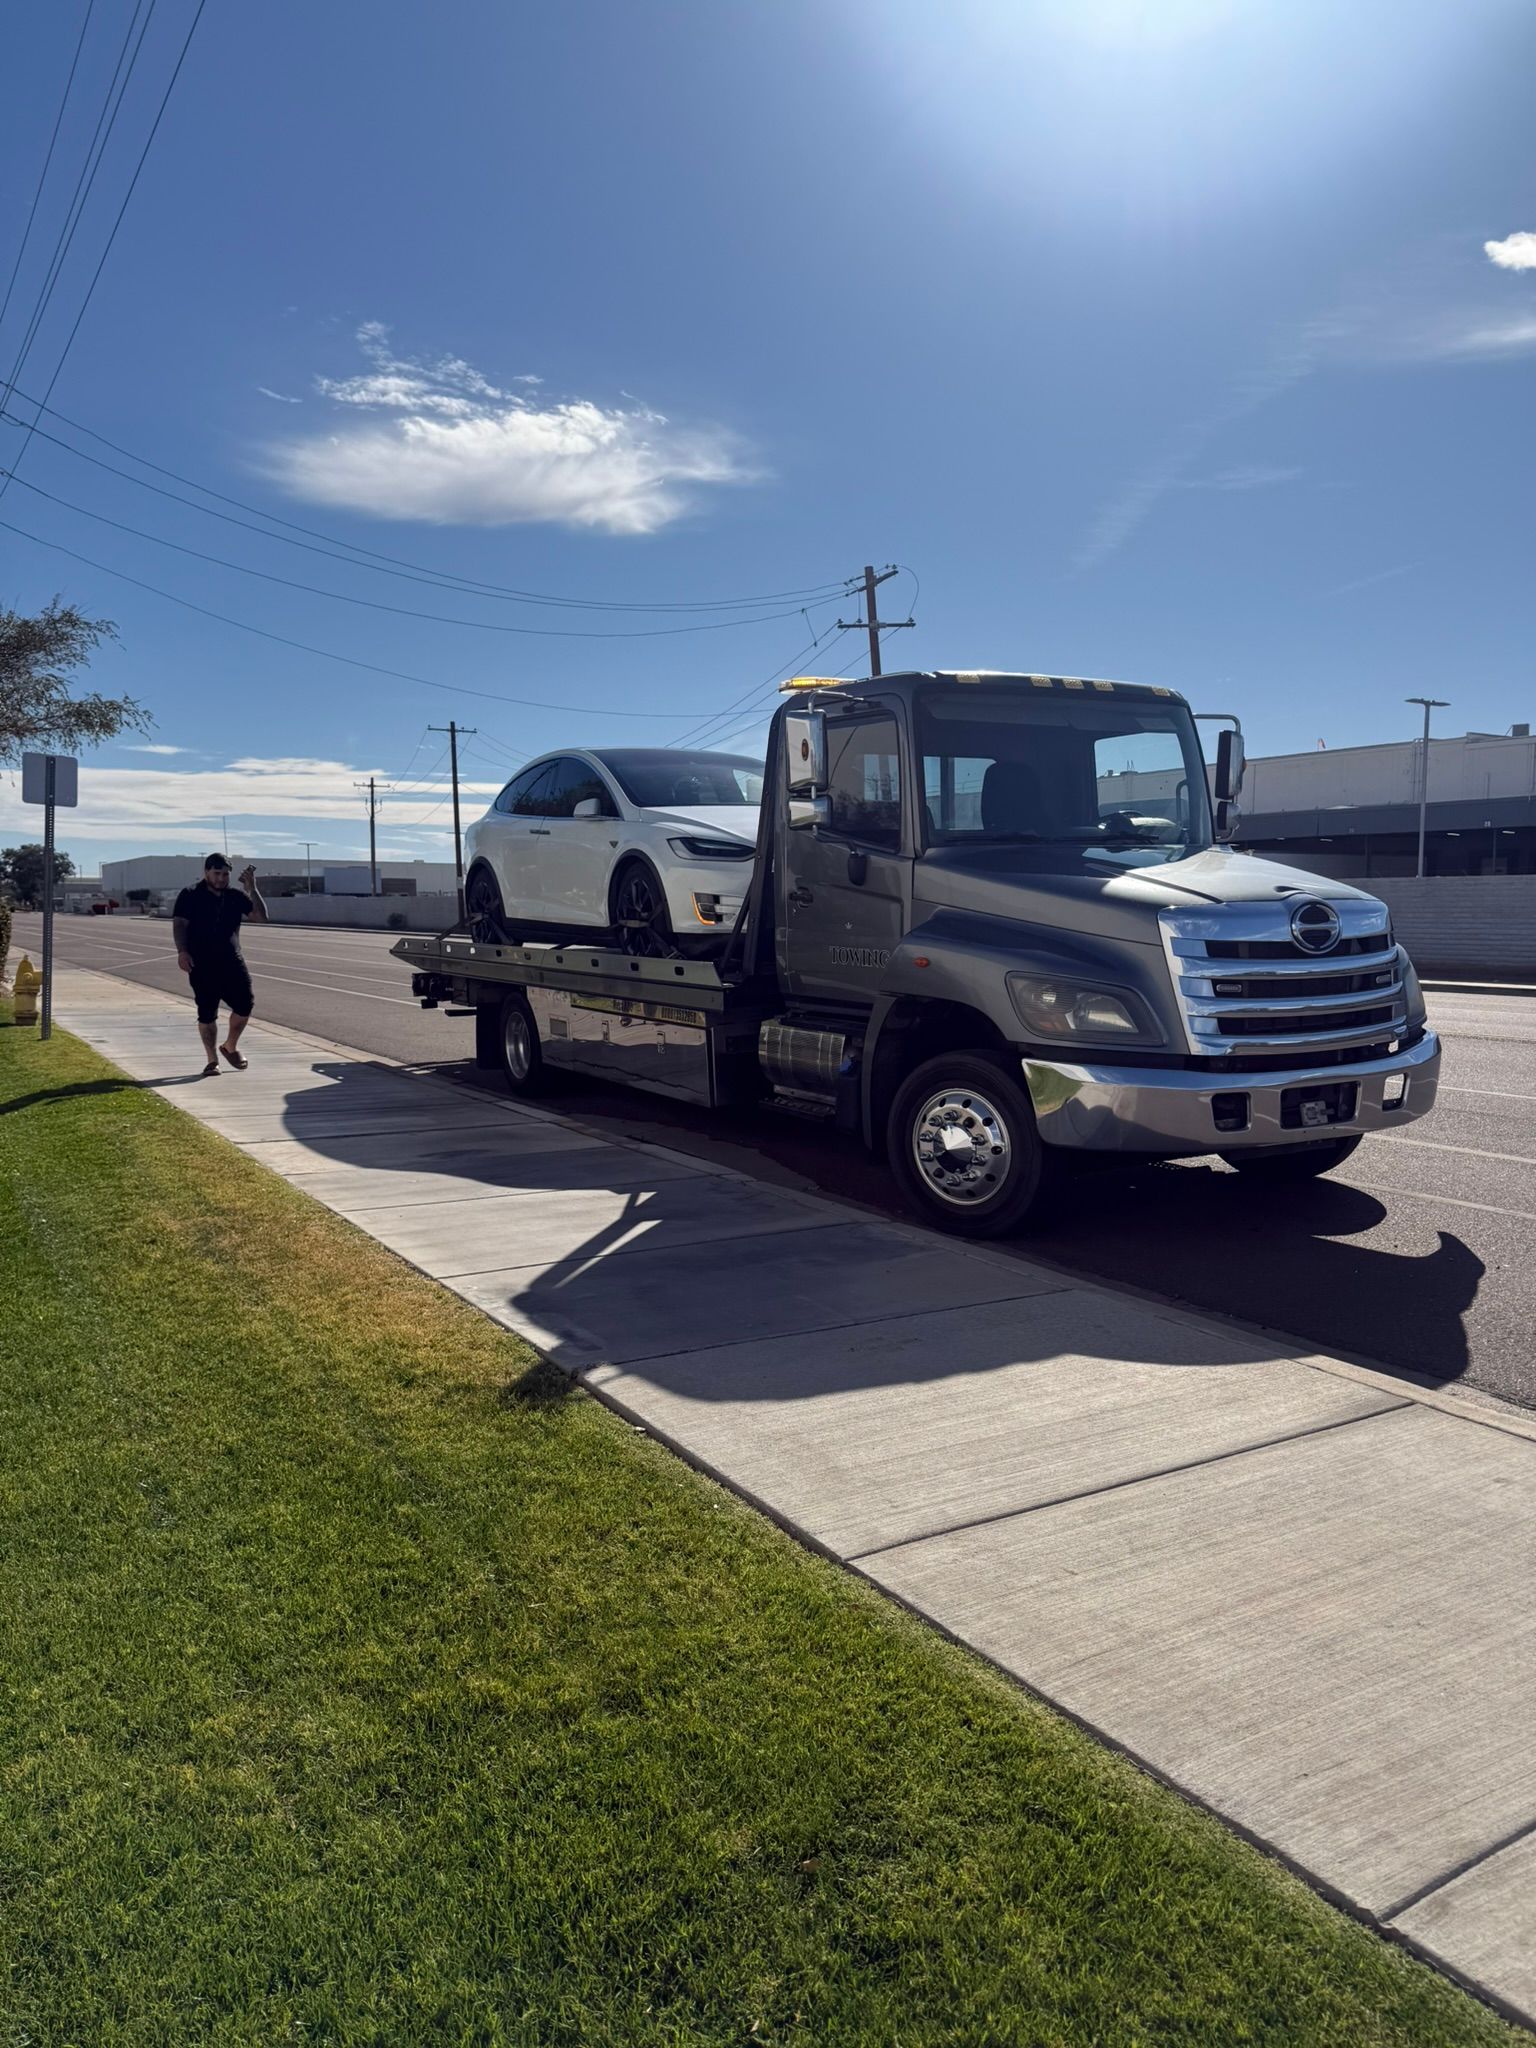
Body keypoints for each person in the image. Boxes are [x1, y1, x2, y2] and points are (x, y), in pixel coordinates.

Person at [172, 854, 268, 1074]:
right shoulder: (190, 894)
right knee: (207, 1012)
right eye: (217, 873)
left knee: (245, 1004)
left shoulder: (235, 896)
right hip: (201, 963)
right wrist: (182, 951)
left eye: (225, 874)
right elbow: (179, 925)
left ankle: (229, 1046)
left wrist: (252, 888)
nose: (221, 878)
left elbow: (261, 917)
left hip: (232, 960)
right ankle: (212, 1060)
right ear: (206, 872)